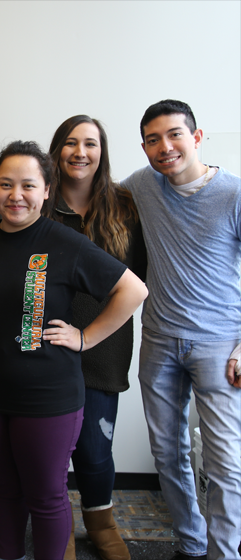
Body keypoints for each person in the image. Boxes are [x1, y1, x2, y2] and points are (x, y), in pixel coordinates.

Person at [0, 140, 148, 560]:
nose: (16, 195)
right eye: (6, 184)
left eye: (28, 185)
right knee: (4, 490)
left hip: (47, 396)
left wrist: (84, 337)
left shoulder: (64, 242)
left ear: (47, 190)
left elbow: (133, 289)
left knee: (47, 496)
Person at [120, 99, 241, 560]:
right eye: (153, 139)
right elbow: (90, 194)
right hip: (159, 341)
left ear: (196, 136)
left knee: (225, 463)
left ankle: (224, 553)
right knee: (167, 454)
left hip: (220, 345)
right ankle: (191, 545)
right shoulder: (142, 186)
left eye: (174, 135)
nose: (164, 147)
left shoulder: (233, 193)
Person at [46, 115, 147, 560]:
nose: (80, 152)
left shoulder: (125, 205)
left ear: (102, 151)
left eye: (90, 143)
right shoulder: (38, 200)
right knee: (50, 448)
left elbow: (137, 280)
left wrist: (89, 336)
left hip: (104, 350)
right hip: (47, 349)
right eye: (70, 142)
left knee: (94, 448)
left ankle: (101, 521)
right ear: (56, 151)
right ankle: (58, 524)